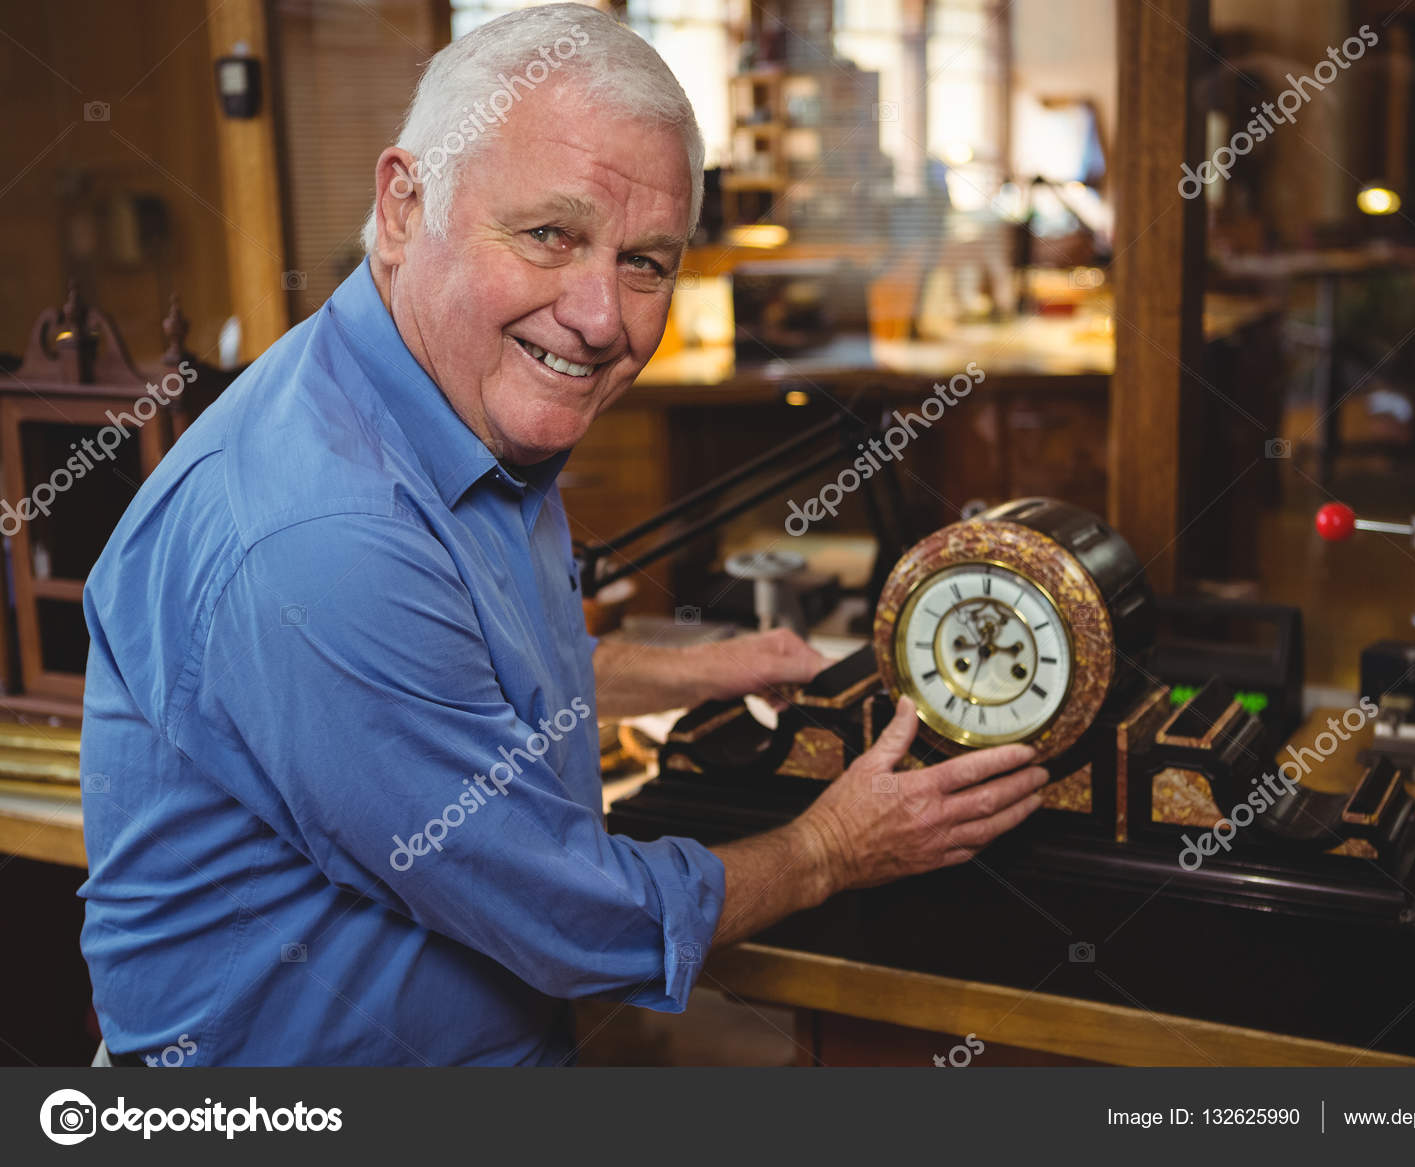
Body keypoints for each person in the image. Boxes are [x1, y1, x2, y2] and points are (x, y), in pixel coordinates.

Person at [78, 4, 1047, 1066]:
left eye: (647, 263)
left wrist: (684, 671)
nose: (601, 317)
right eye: (549, 235)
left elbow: (450, 670)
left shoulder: (449, 406)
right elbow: (572, 921)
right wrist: (830, 848)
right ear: (403, 206)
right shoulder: (321, 537)